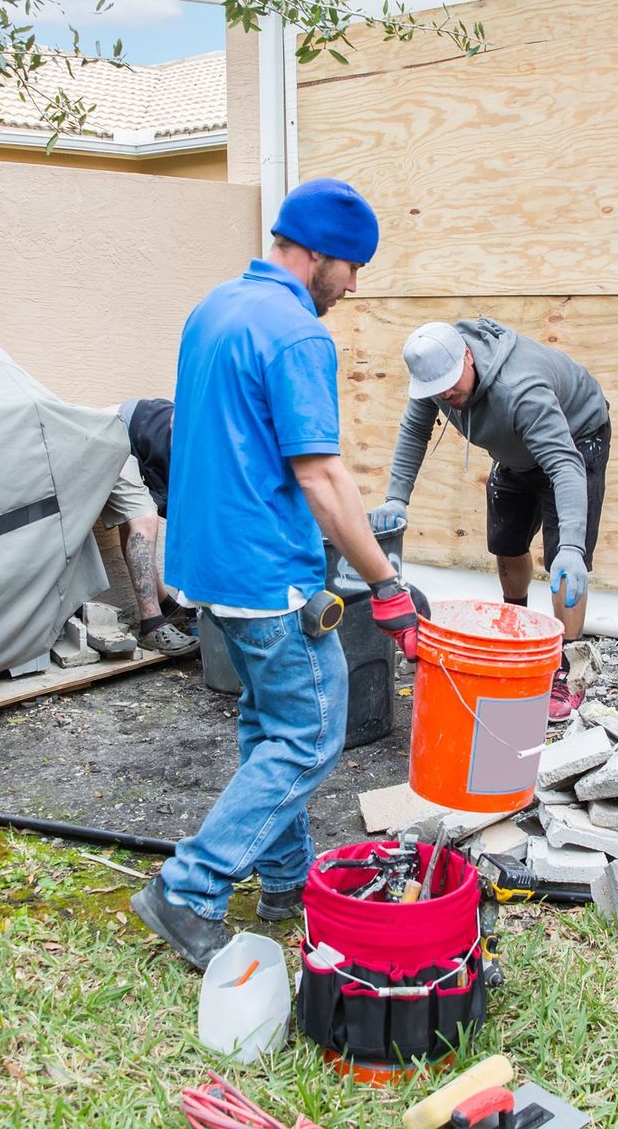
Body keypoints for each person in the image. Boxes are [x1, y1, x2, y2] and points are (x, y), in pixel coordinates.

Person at [130, 179, 418, 970]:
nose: (355, 284)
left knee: (268, 725)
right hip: (265, 574)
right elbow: (323, 479)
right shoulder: (296, 335)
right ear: (318, 252)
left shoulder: (214, 308)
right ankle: (188, 890)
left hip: (204, 566)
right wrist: (386, 586)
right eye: (352, 266)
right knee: (308, 736)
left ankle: (287, 881)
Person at [372, 318, 609, 720]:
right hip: (516, 452)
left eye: (451, 383)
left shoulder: (520, 390)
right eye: (436, 390)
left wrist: (572, 546)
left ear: (467, 355)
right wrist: (396, 498)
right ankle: (513, 626)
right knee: (505, 543)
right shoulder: (436, 376)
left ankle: (565, 668)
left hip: (575, 440)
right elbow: (414, 431)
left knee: (562, 564)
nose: (445, 394)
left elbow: (564, 465)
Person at [97, 428, 196, 657]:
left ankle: (167, 606)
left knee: (134, 517)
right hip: (112, 434)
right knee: (145, 518)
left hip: (130, 436)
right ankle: (151, 624)